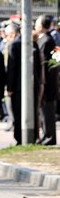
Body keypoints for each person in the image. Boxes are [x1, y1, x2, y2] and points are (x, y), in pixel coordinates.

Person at [6, 22, 43, 145]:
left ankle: (20, 139)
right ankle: (32, 138)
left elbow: (11, 69)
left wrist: (9, 88)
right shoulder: (33, 43)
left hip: (18, 88)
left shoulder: (14, 44)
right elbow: (38, 66)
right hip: (33, 85)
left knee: (18, 114)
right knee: (33, 112)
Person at [36, 15, 57, 145]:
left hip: (48, 84)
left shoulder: (47, 40)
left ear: (41, 26)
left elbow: (45, 64)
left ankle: (49, 136)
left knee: (48, 111)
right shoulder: (44, 39)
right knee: (43, 111)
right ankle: (46, 135)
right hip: (46, 83)